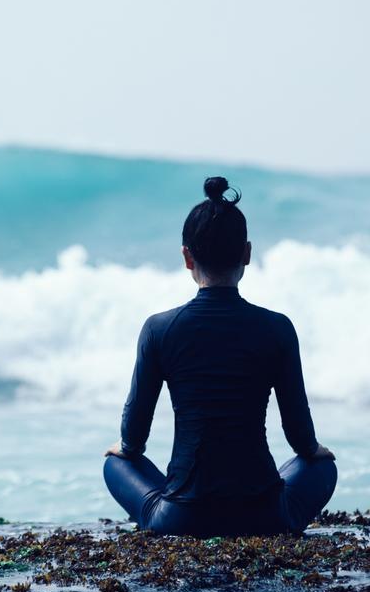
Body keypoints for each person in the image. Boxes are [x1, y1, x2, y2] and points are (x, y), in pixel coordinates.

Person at [102, 176, 337, 537]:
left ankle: (173, 501)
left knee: (114, 464)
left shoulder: (159, 329)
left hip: (180, 519)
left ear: (186, 257)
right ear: (247, 253)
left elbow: (133, 438)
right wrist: (315, 450)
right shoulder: (277, 328)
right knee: (323, 467)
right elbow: (301, 439)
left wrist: (126, 448)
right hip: (266, 516)